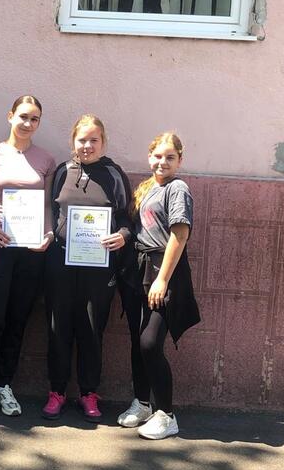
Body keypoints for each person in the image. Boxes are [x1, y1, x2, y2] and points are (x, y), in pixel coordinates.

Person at [0, 95, 56, 419]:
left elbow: (47, 205)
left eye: (34, 118)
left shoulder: (46, 159)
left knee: (18, 319)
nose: (27, 123)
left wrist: (48, 234)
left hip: (31, 252)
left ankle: (4, 385)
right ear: (10, 116)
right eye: (23, 116)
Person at [43, 114, 132, 422]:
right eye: (82, 139)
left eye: (94, 140)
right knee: (58, 327)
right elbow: (52, 213)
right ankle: (56, 391)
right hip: (61, 262)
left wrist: (123, 236)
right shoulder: (62, 171)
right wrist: (50, 235)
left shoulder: (114, 174)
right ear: (73, 141)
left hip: (99, 266)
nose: (87, 145)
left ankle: (89, 393)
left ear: (103, 142)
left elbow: (126, 217)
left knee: (92, 330)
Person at [118, 132, 200, 439]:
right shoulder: (147, 187)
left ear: (180, 160)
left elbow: (179, 235)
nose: (162, 162)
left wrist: (162, 279)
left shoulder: (178, 188)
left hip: (163, 271)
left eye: (170, 157)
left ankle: (166, 415)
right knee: (137, 340)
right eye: (157, 156)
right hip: (138, 271)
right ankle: (142, 403)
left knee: (150, 342)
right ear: (149, 156)